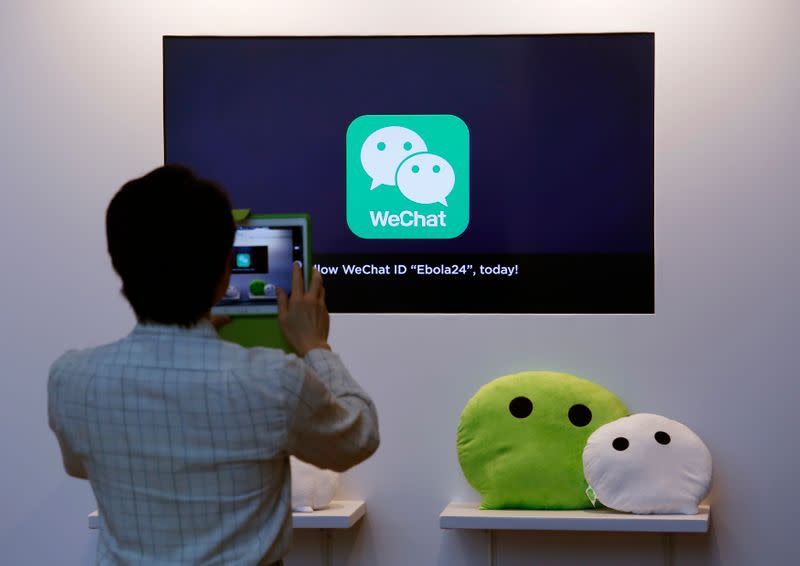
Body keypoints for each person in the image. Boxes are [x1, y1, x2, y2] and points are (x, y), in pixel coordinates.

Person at [47, 165, 380, 565]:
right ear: (225, 273)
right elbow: (358, 437)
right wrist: (316, 346)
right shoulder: (274, 380)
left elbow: (82, 466)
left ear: (120, 267)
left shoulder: (72, 380)